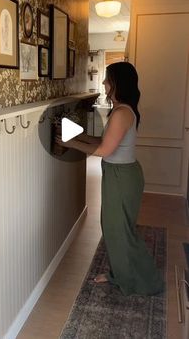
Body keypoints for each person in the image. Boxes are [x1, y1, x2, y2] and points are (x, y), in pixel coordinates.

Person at [55, 61, 164, 296]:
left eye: (107, 79)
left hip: (122, 177)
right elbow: (104, 143)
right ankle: (119, 274)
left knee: (119, 230)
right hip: (119, 174)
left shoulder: (122, 112)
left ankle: (146, 280)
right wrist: (80, 136)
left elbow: (104, 150)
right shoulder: (121, 110)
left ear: (117, 83)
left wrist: (69, 142)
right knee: (114, 227)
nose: (103, 83)